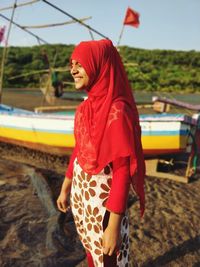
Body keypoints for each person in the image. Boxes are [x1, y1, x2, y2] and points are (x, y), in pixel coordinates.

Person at [57, 39, 145, 267]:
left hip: (103, 203)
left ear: (99, 65)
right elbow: (79, 148)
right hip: (81, 194)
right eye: (72, 63)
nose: (73, 69)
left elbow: (123, 170)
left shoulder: (117, 110)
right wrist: (66, 187)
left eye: (80, 63)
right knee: (89, 248)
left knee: (108, 259)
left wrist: (114, 224)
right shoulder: (87, 106)